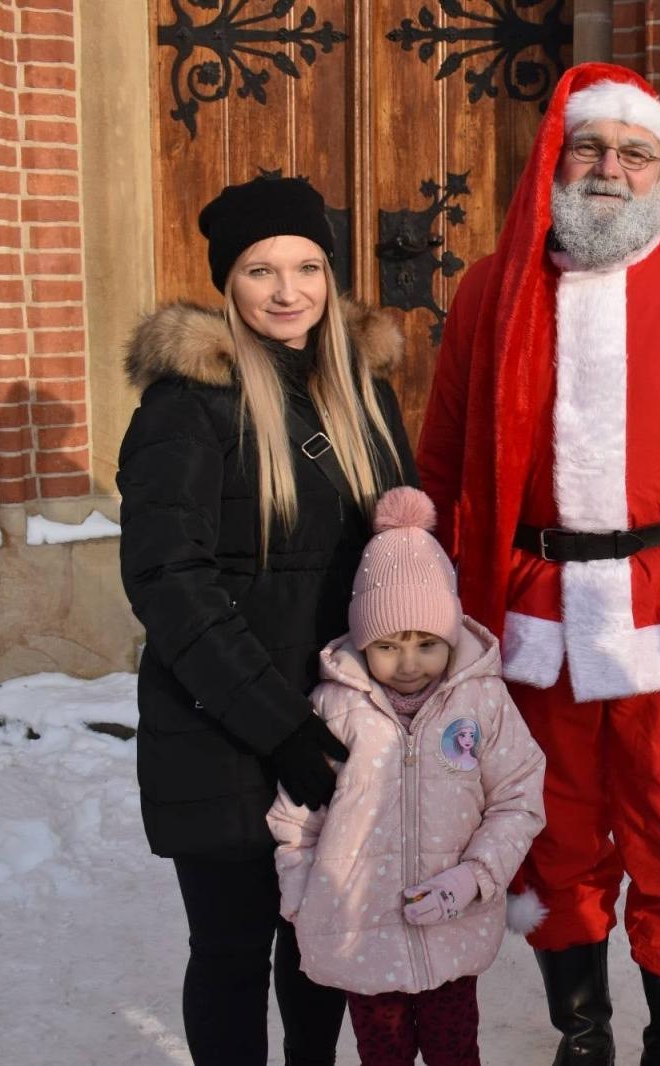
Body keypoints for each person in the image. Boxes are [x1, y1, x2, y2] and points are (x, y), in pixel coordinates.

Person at [415, 63, 660, 1065]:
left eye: (635, 151)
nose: (609, 168)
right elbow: (445, 462)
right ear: (557, 155)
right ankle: (581, 1033)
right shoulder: (494, 288)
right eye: (591, 146)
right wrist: (443, 612)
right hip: (535, 619)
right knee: (551, 835)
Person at [118, 174, 416, 1066]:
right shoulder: (187, 407)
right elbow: (171, 582)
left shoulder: (364, 395)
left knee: (321, 946)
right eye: (260, 271)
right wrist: (278, 727)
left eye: (308, 266)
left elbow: (396, 561)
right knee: (235, 950)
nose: (288, 292)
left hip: (336, 721)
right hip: (220, 726)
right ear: (227, 284)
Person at [268, 486, 546, 1066]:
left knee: (453, 1052)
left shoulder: (483, 703)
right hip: (360, 935)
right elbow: (296, 817)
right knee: (383, 1054)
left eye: (426, 643)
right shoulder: (334, 710)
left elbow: (518, 799)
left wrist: (473, 878)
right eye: (388, 645)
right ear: (362, 641)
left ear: (450, 634)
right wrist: (302, 897)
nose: (410, 662)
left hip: (453, 926)